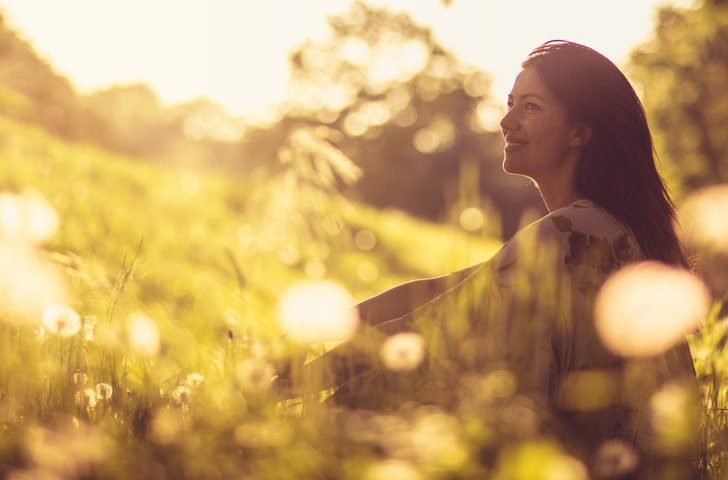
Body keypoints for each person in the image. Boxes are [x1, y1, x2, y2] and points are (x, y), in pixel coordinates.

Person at [281, 40, 702, 475]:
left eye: (531, 108)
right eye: (511, 103)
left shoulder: (572, 233)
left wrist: (307, 377)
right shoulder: (599, 229)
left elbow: (433, 324)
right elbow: (438, 291)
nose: (506, 121)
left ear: (579, 133)